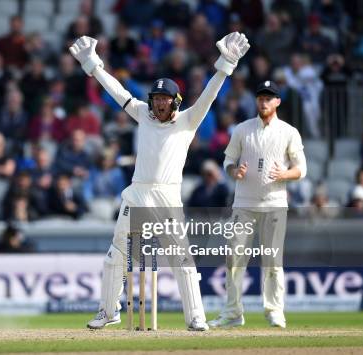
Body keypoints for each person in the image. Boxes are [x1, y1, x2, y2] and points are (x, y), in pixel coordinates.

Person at [69, 32, 250, 330]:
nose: (159, 104)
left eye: (165, 99)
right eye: (155, 99)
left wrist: (225, 64)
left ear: (175, 101)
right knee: (116, 255)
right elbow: (118, 92)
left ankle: (195, 317)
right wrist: (93, 64)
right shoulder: (143, 114)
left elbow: (209, 95)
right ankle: (109, 310)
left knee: (181, 258)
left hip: (167, 198)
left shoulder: (188, 121)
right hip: (138, 194)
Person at [209, 80, 307, 329]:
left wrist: (284, 174)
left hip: (274, 204)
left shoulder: (289, 132)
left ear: (277, 102)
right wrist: (234, 171)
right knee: (234, 259)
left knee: (272, 261)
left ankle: (274, 311)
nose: (263, 102)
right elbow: (228, 161)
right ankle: (233, 312)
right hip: (243, 204)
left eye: (269, 98)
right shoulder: (242, 129)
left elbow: (301, 169)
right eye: (260, 97)